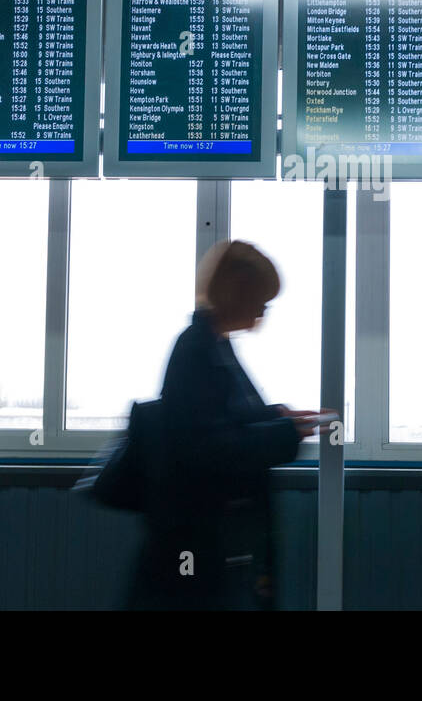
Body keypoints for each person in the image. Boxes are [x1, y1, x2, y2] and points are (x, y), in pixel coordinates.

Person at [127, 240, 325, 610]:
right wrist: (284, 433)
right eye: (261, 301)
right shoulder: (196, 350)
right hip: (198, 540)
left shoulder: (216, 347)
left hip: (217, 536)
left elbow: (232, 419)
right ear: (240, 295)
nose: (264, 312)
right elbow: (209, 446)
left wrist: (278, 416)